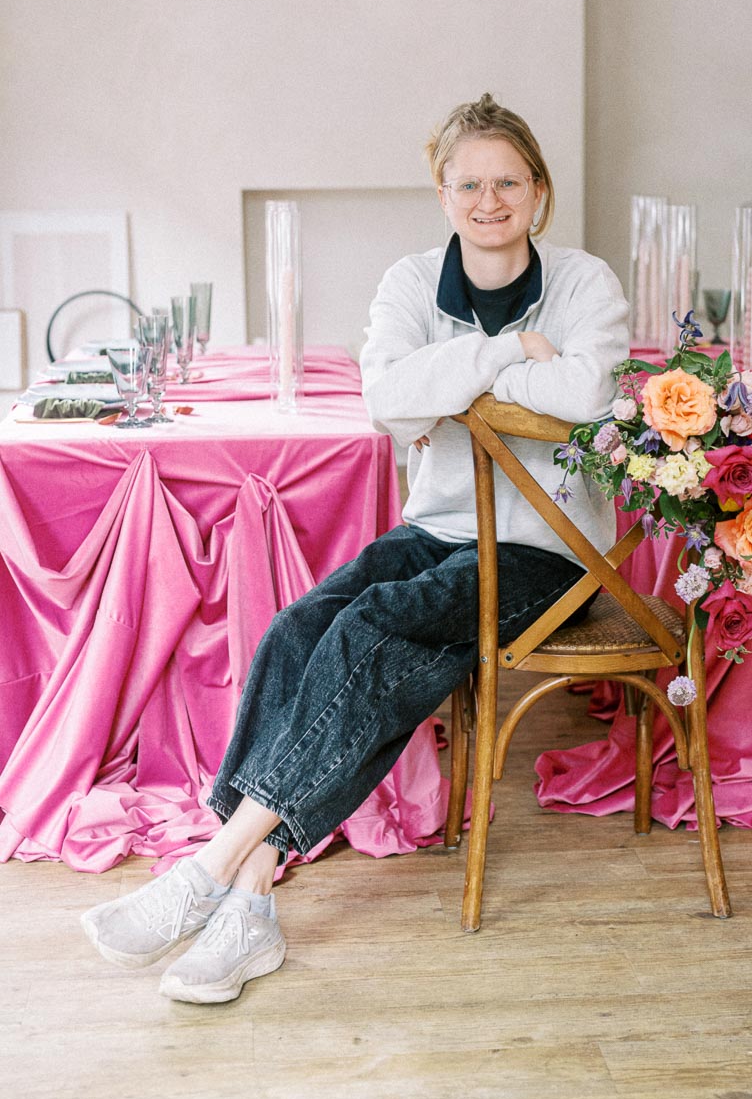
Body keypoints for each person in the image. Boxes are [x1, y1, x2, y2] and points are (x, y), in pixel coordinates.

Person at [81, 93, 629, 1004]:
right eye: (467, 184)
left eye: (507, 181)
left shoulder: (585, 282)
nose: (488, 200)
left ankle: (212, 870)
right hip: (440, 526)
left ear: (539, 188)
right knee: (300, 629)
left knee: (374, 631)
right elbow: (389, 399)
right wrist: (504, 355)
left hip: (550, 547)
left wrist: (455, 378)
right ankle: (250, 902)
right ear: (442, 192)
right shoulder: (411, 284)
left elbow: (585, 389)